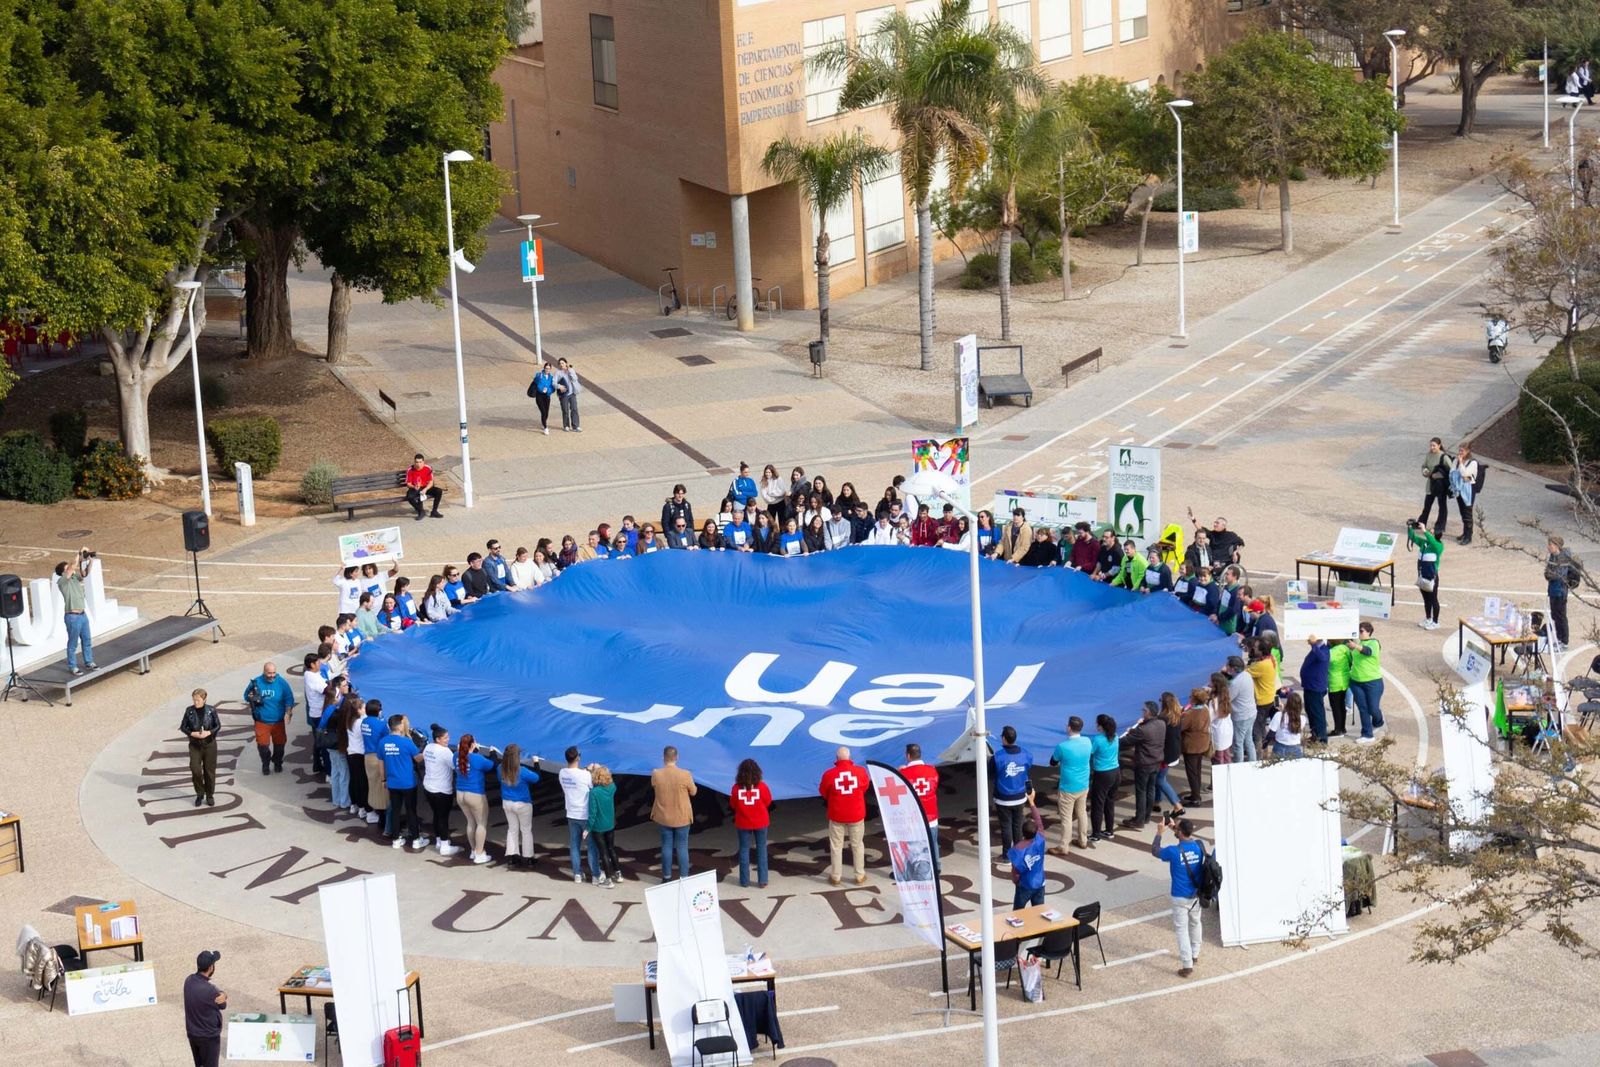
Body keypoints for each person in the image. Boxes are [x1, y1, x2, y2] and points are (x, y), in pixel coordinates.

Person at [1152, 816, 1205, 978]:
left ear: (1180, 833)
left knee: (1181, 930)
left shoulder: (1173, 852)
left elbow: (1155, 850)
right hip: (1196, 894)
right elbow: (1186, 837)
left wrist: (1159, 833)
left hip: (1179, 896)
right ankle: (1195, 954)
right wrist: (1177, 828)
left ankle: (1187, 964)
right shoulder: (1199, 846)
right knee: (1196, 923)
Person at [820, 746, 869, 886]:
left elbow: (823, 792)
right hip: (856, 814)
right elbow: (864, 787)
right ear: (850, 757)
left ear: (836, 759)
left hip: (837, 815)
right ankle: (860, 875)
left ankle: (836, 876)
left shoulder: (829, 774)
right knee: (858, 845)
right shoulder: (860, 772)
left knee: (836, 846)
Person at [652, 746, 698, 881]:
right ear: (677, 757)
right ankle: (684, 877)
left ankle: (666, 877)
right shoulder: (685, 774)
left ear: (663, 757)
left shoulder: (656, 773)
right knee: (682, 846)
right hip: (682, 816)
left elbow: (654, 786)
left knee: (666, 846)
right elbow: (693, 792)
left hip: (663, 816)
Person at [1049, 717, 1093, 855]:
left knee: (1066, 818)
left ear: (1069, 728)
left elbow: (1053, 762)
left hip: (1068, 787)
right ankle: (1083, 840)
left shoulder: (1063, 746)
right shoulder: (1087, 741)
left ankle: (1063, 846)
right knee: (1082, 812)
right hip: (1083, 784)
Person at [243, 662, 295, 775]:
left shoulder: (282, 683)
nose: (272, 675)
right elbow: (246, 695)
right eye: (269, 673)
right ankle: (265, 763)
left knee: (280, 745)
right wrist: (251, 697)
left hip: (278, 721)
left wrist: (288, 713)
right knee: (263, 746)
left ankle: (277, 762)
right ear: (264, 672)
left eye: (274, 673)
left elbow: (289, 698)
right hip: (262, 721)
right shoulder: (256, 682)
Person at [380, 715, 424, 849]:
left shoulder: (383, 742)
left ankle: (396, 839)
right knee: (411, 810)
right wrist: (425, 749)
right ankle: (416, 839)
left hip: (392, 782)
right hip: (408, 783)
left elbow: (381, 764)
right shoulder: (407, 742)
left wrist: (383, 779)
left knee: (395, 810)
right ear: (400, 726)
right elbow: (418, 759)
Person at [1122, 701, 1167, 829]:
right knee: (1150, 789)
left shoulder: (1143, 730)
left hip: (1144, 763)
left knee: (1141, 791)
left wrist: (1132, 731)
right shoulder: (1161, 724)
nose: (1142, 712)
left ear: (1147, 712)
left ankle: (1139, 819)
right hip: (1156, 761)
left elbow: (1126, 741)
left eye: (1144, 710)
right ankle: (1146, 817)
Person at [731, 758, 773, 889]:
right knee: (761, 849)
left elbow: (733, 804)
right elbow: (768, 801)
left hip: (743, 823)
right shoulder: (762, 786)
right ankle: (763, 880)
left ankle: (744, 881)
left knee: (744, 850)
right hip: (761, 822)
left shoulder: (736, 788)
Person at [899, 743, 941, 869]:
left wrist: (899, 771)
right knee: (933, 843)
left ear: (908, 756)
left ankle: (911, 868)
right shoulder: (932, 770)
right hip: (931, 816)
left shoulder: (904, 773)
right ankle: (936, 866)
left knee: (911, 844)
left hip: (912, 817)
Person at [992, 725, 1033, 851]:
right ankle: (1018, 852)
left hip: (1003, 798)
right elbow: (1028, 768)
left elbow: (990, 774)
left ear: (1004, 738)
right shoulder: (1026, 754)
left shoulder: (997, 757)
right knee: (1017, 825)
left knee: (1006, 827)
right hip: (1020, 797)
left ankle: (1006, 855)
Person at [55, 552, 96, 675]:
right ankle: (72, 666)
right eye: (67, 567)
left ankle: (89, 662)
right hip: (72, 617)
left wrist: (89, 562)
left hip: (82, 615)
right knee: (73, 643)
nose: (71, 568)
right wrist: (78, 553)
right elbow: (72, 566)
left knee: (87, 639)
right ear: (64, 571)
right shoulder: (62, 581)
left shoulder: (74, 578)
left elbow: (84, 574)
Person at [184, 950, 228, 1067]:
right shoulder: (211, 990)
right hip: (209, 1037)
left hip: (193, 1034)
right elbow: (222, 1005)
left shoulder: (188, 981)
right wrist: (224, 994)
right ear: (210, 967)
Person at [1006, 788, 1048, 910]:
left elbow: (1015, 872)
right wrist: (1032, 802)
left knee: (1017, 913)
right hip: (1040, 883)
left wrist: (1016, 881)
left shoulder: (1016, 851)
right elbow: (1038, 820)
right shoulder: (1040, 838)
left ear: (1022, 832)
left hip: (1024, 885)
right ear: (1036, 832)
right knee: (1039, 913)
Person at [422, 725, 460, 857]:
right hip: (442, 790)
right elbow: (456, 766)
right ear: (438, 739)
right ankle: (444, 845)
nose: (448, 740)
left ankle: (439, 840)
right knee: (443, 817)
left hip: (429, 787)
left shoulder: (428, 747)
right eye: (445, 738)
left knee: (437, 815)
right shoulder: (445, 752)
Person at [179, 688, 221, 807]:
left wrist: (209, 732)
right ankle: (199, 793)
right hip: (195, 745)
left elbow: (218, 725)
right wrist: (192, 733)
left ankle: (209, 795)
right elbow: (183, 727)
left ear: (204, 699)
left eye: (198, 700)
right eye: (194, 700)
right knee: (195, 769)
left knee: (209, 771)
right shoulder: (189, 711)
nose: (195, 702)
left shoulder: (211, 710)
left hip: (209, 745)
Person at [500, 744, 538, 870]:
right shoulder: (522, 771)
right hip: (522, 804)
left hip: (507, 802)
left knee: (512, 829)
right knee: (526, 830)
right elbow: (536, 778)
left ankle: (511, 857)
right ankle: (529, 858)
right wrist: (536, 763)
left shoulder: (500, 768)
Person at [560, 746, 595, 882]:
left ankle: (577, 874)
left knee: (574, 845)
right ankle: (595, 873)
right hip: (585, 814)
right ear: (578, 757)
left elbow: (575, 775)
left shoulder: (562, 773)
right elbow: (591, 786)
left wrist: (586, 770)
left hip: (571, 813)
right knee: (591, 846)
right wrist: (590, 771)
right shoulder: (585, 775)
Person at [1349, 621, 1385, 743]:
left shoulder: (1374, 643)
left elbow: (1368, 651)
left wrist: (1356, 647)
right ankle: (1367, 734)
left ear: (1368, 632)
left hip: (1373, 682)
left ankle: (1378, 721)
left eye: (1361, 631)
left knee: (1373, 708)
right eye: (1358, 631)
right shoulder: (1356, 645)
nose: (1359, 633)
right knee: (1363, 708)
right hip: (1356, 681)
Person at [1088, 714, 1121, 841]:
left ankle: (1096, 834)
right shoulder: (1115, 737)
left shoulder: (1098, 739)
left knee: (1097, 804)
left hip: (1102, 774)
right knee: (1110, 802)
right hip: (1116, 772)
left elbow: (1090, 752)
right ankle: (1109, 830)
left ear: (1101, 726)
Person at [1407, 520, 1444, 629]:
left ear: (1436, 535)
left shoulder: (1438, 546)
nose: (1429, 533)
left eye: (1431, 532)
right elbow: (1413, 538)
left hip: (1432, 578)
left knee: (1433, 599)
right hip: (1422, 576)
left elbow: (1432, 540)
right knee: (1426, 599)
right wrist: (1410, 528)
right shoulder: (1425, 543)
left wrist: (1424, 531)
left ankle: (1436, 622)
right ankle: (1428, 618)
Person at [588, 763, 621, 886]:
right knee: (611, 849)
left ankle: (608, 880)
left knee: (603, 853)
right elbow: (609, 778)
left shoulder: (594, 792)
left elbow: (592, 813)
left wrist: (588, 828)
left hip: (598, 827)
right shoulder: (612, 787)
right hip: (610, 824)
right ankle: (618, 873)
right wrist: (599, 768)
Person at [1246, 640, 1280, 757]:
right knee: (1261, 728)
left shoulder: (1261, 665)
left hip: (1261, 702)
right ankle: (1263, 751)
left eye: (1255, 647)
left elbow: (1243, 673)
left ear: (1261, 651)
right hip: (1268, 698)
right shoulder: (1270, 659)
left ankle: (1258, 755)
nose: (1252, 649)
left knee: (1256, 731)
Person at [1546, 536, 1580, 650]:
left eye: (1550, 545)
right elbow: (1548, 572)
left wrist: (1551, 575)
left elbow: (1558, 575)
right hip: (1552, 590)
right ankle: (1559, 639)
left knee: (1561, 616)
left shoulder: (1563, 558)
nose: (1548, 547)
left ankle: (1564, 641)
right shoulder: (1552, 557)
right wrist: (1549, 574)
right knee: (1555, 615)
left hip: (1560, 591)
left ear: (1556, 546)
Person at [342, 698, 372, 822]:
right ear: (359, 710)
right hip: (360, 754)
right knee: (362, 783)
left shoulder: (350, 721)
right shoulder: (361, 723)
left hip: (351, 753)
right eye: (363, 708)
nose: (365, 710)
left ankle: (354, 805)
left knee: (354, 780)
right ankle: (364, 807)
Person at [1179, 689, 1211, 804]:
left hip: (1192, 746)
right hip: (1202, 743)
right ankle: (1195, 793)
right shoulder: (1205, 709)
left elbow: (1180, 727)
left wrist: (1181, 714)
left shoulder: (1190, 714)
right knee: (1197, 769)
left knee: (1192, 772)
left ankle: (1196, 797)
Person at [1223, 655, 1256, 762]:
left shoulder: (1235, 683)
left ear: (1233, 668)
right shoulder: (1247, 675)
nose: (1226, 667)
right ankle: (1252, 762)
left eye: (1228, 666)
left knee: (1238, 744)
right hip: (1251, 712)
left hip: (1241, 716)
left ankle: (1238, 766)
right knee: (1248, 740)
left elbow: (1228, 698)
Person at [1418, 437, 1451, 538]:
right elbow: (1424, 466)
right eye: (1431, 445)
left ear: (1439, 446)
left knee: (1442, 506)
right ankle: (1421, 522)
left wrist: (1439, 475)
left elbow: (1451, 470)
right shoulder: (1429, 455)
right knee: (1427, 504)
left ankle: (1440, 526)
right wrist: (1425, 471)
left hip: (1440, 485)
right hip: (1431, 483)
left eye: (1434, 445)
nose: (1432, 447)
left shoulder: (1444, 457)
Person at [1300, 637, 1330, 743]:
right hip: (1309, 686)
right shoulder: (1317, 648)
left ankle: (1321, 739)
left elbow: (1322, 658)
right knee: (1311, 711)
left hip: (1315, 687)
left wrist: (1313, 645)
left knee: (1317, 714)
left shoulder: (1324, 649)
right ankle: (1315, 735)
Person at [1451, 443, 1480, 545]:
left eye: (1462, 451)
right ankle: (1465, 532)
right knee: (1462, 511)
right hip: (1459, 488)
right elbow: (1452, 471)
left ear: (1468, 451)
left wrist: (1461, 463)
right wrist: (1459, 465)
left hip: (1468, 489)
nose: (1460, 453)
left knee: (1467, 512)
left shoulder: (1473, 463)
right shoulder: (1456, 460)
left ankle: (1468, 536)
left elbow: (1464, 474)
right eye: (1459, 450)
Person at [404, 453, 444, 520]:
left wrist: (425, 489)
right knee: (409, 497)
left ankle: (434, 512)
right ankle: (421, 511)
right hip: (415, 487)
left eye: (420, 462)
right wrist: (414, 487)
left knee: (439, 491)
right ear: (414, 462)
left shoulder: (428, 468)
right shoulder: (410, 470)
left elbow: (431, 482)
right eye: (416, 462)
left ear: (423, 462)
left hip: (426, 487)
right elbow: (408, 484)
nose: (418, 464)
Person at [1207, 673, 1234, 766]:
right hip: (1227, 731)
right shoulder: (1226, 696)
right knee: (1227, 756)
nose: (1208, 682)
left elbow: (1209, 718)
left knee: (1218, 760)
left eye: (1210, 681)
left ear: (1215, 685)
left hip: (1218, 734)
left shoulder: (1213, 702)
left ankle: (1218, 778)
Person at [1327, 636, 1352, 738]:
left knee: (1336, 707)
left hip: (1334, 682)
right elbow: (1350, 661)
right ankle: (1342, 728)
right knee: (1342, 706)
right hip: (1344, 681)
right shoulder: (1345, 648)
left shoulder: (1330, 653)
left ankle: (1338, 730)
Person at [1268, 693, 1306, 758]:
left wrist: (1265, 744)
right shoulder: (1303, 719)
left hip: (1279, 748)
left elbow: (1271, 733)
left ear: (1287, 704)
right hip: (1296, 749)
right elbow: (1291, 718)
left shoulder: (1278, 715)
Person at [554, 357, 582, 432]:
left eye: (562, 363)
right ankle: (566, 425)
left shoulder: (571, 370)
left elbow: (575, 379)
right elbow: (554, 382)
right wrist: (559, 386)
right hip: (564, 394)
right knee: (565, 410)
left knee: (574, 409)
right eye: (560, 364)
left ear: (566, 363)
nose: (561, 365)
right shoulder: (558, 372)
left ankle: (576, 426)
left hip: (572, 393)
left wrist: (570, 370)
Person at [530, 361, 556, 434]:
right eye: (546, 368)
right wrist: (542, 389)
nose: (547, 370)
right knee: (543, 412)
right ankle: (545, 427)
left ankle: (543, 422)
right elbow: (536, 384)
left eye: (548, 369)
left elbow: (553, 388)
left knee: (546, 412)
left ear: (550, 369)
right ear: (544, 368)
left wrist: (548, 390)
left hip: (547, 396)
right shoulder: (539, 375)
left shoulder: (551, 377)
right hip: (539, 395)